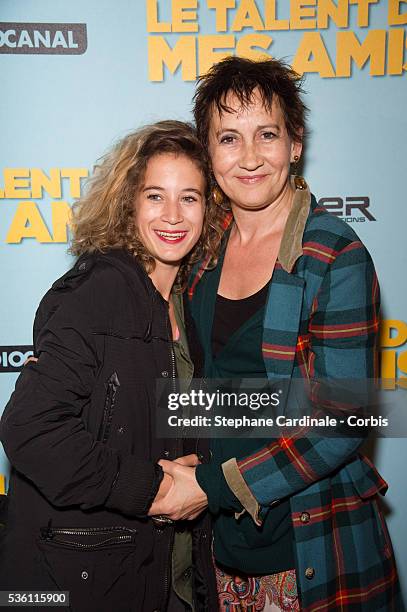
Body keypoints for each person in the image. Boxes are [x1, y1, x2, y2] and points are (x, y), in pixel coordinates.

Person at [150, 58, 401, 611]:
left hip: (314, 545)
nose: (249, 157)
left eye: (267, 135)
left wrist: (212, 487)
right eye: (229, 138)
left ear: (295, 144)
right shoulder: (200, 252)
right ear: (208, 152)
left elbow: (341, 422)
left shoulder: (333, 253)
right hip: (221, 552)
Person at [0, 120, 222, 612]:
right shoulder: (97, 293)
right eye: (154, 196)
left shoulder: (187, 302)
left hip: (167, 571)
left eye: (189, 197)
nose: (173, 215)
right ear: (128, 205)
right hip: (84, 578)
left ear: (209, 210)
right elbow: (31, 430)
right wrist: (157, 491)